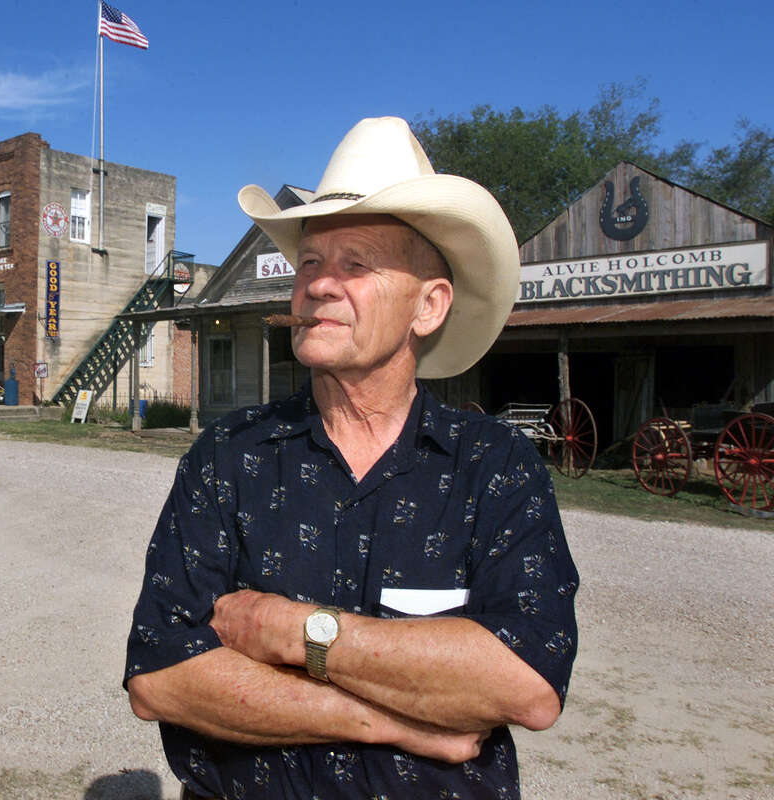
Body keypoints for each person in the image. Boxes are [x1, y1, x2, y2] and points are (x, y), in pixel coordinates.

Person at [123, 117, 578, 800]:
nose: (318, 285)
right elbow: (161, 674)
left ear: (429, 306)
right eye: (309, 263)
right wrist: (390, 720)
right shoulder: (229, 456)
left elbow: (529, 682)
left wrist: (289, 630)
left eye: (355, 264)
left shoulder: (493, 466)